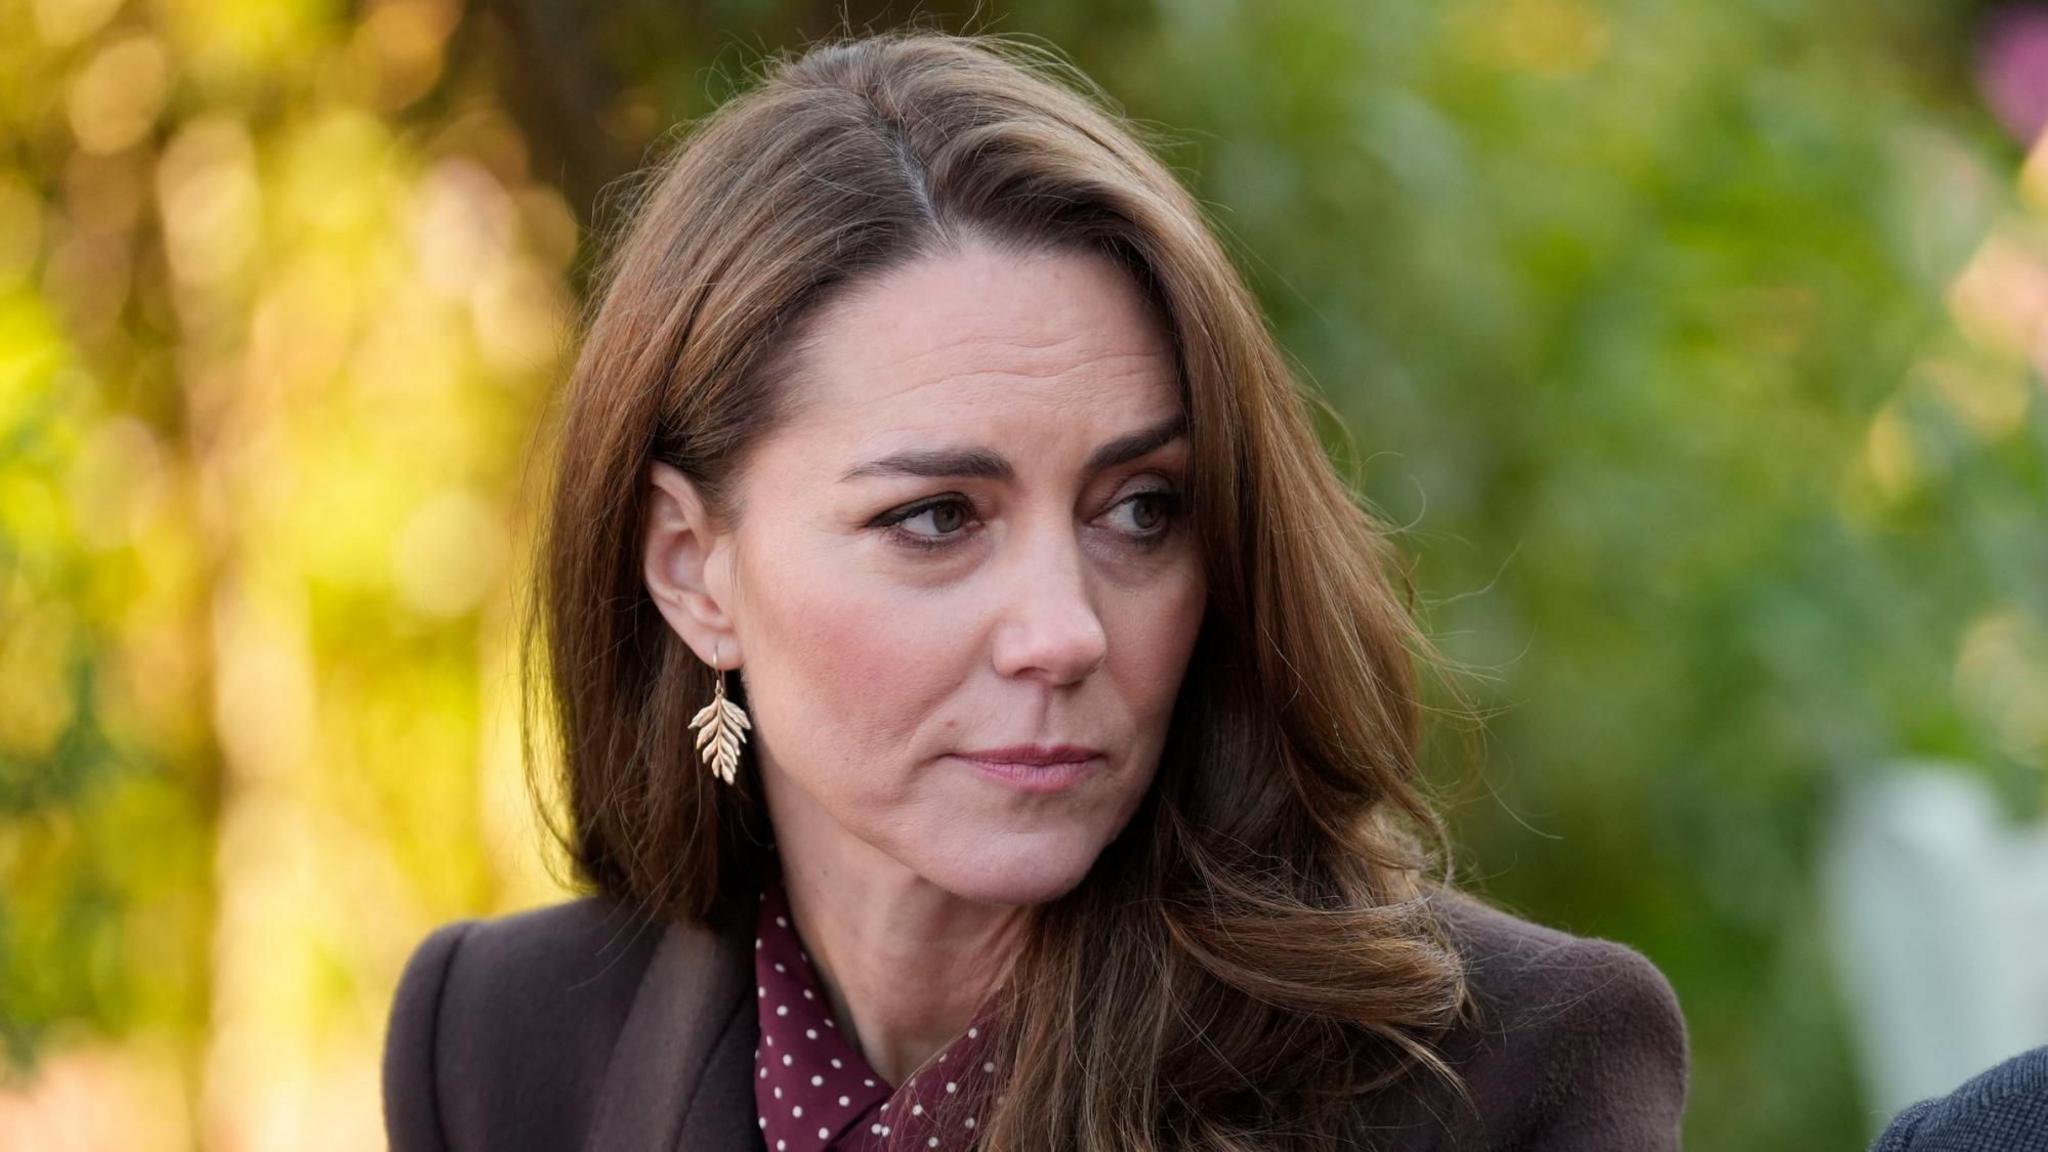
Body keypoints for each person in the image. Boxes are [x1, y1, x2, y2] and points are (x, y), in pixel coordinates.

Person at [381, 28, 1689, 1151]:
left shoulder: (1506, 1073)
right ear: (691, 568)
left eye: (1140, 511)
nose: (1066, 633)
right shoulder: (499, 1043)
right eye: (937, 518)